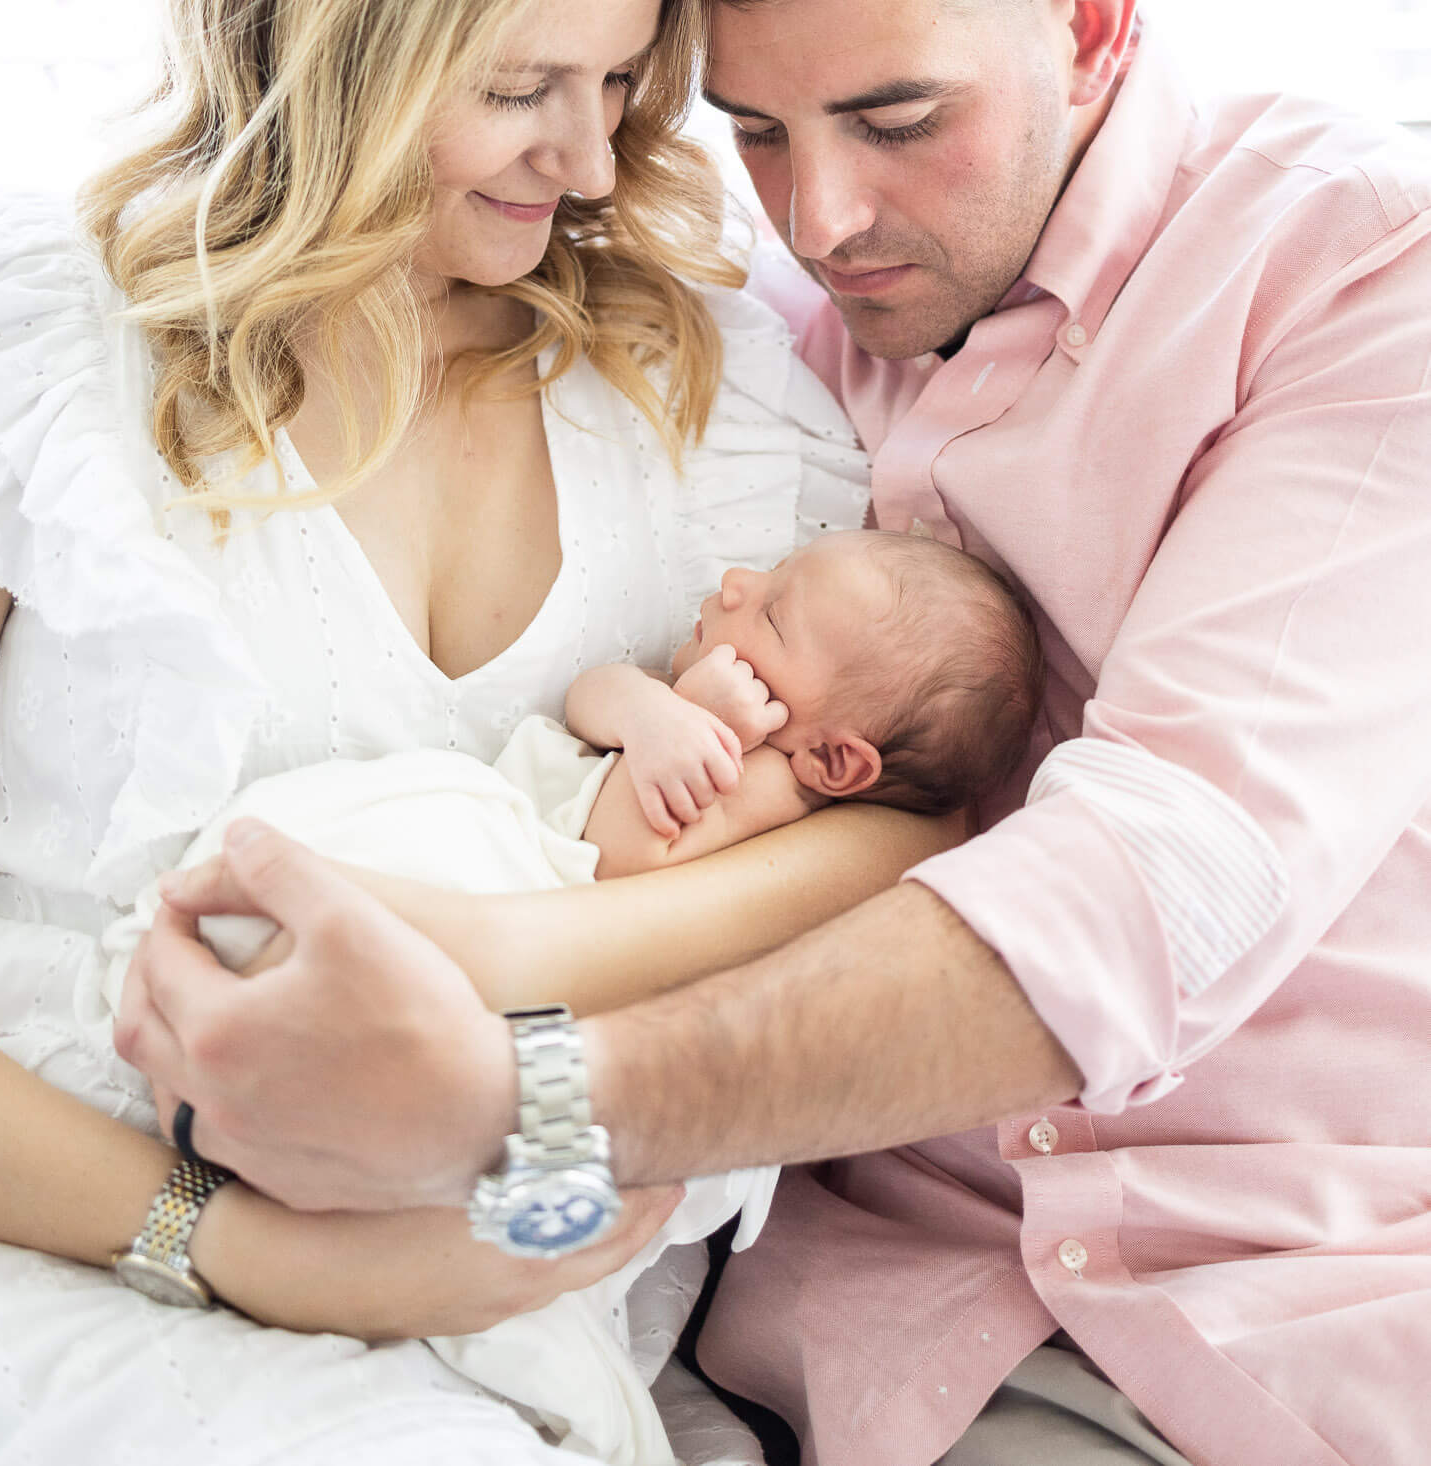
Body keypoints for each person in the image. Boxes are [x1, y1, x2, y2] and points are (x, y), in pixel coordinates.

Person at [124, 0, 1431, 1466]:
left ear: (1093, 23)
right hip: (830, 1323)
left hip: (1274, 1286)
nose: (819, 216)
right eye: (754, 131)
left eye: (899, 117)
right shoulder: (760, 339)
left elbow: (1167, 874)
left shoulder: (1354, 273)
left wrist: (525, 1105)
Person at [0, 0, 965, 1466]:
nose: (583, 160)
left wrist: (499, 962)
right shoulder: (37, 350)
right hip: (51, 1218)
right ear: (326, 25)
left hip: (510, 1242)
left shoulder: (702, 392)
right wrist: (233, 1249)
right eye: (518, 84)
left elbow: (896, 824)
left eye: (626, 84)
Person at [96, 528, 1041, 1465]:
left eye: (777, 613)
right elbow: (591, 698)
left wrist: (682, 747)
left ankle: (300, 1169)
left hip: (554, 943)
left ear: (836, 763)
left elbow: (624, 858)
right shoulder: (710, 717)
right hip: (516, 897)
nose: (740, 581)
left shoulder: (773, 797)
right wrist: (656, 715)